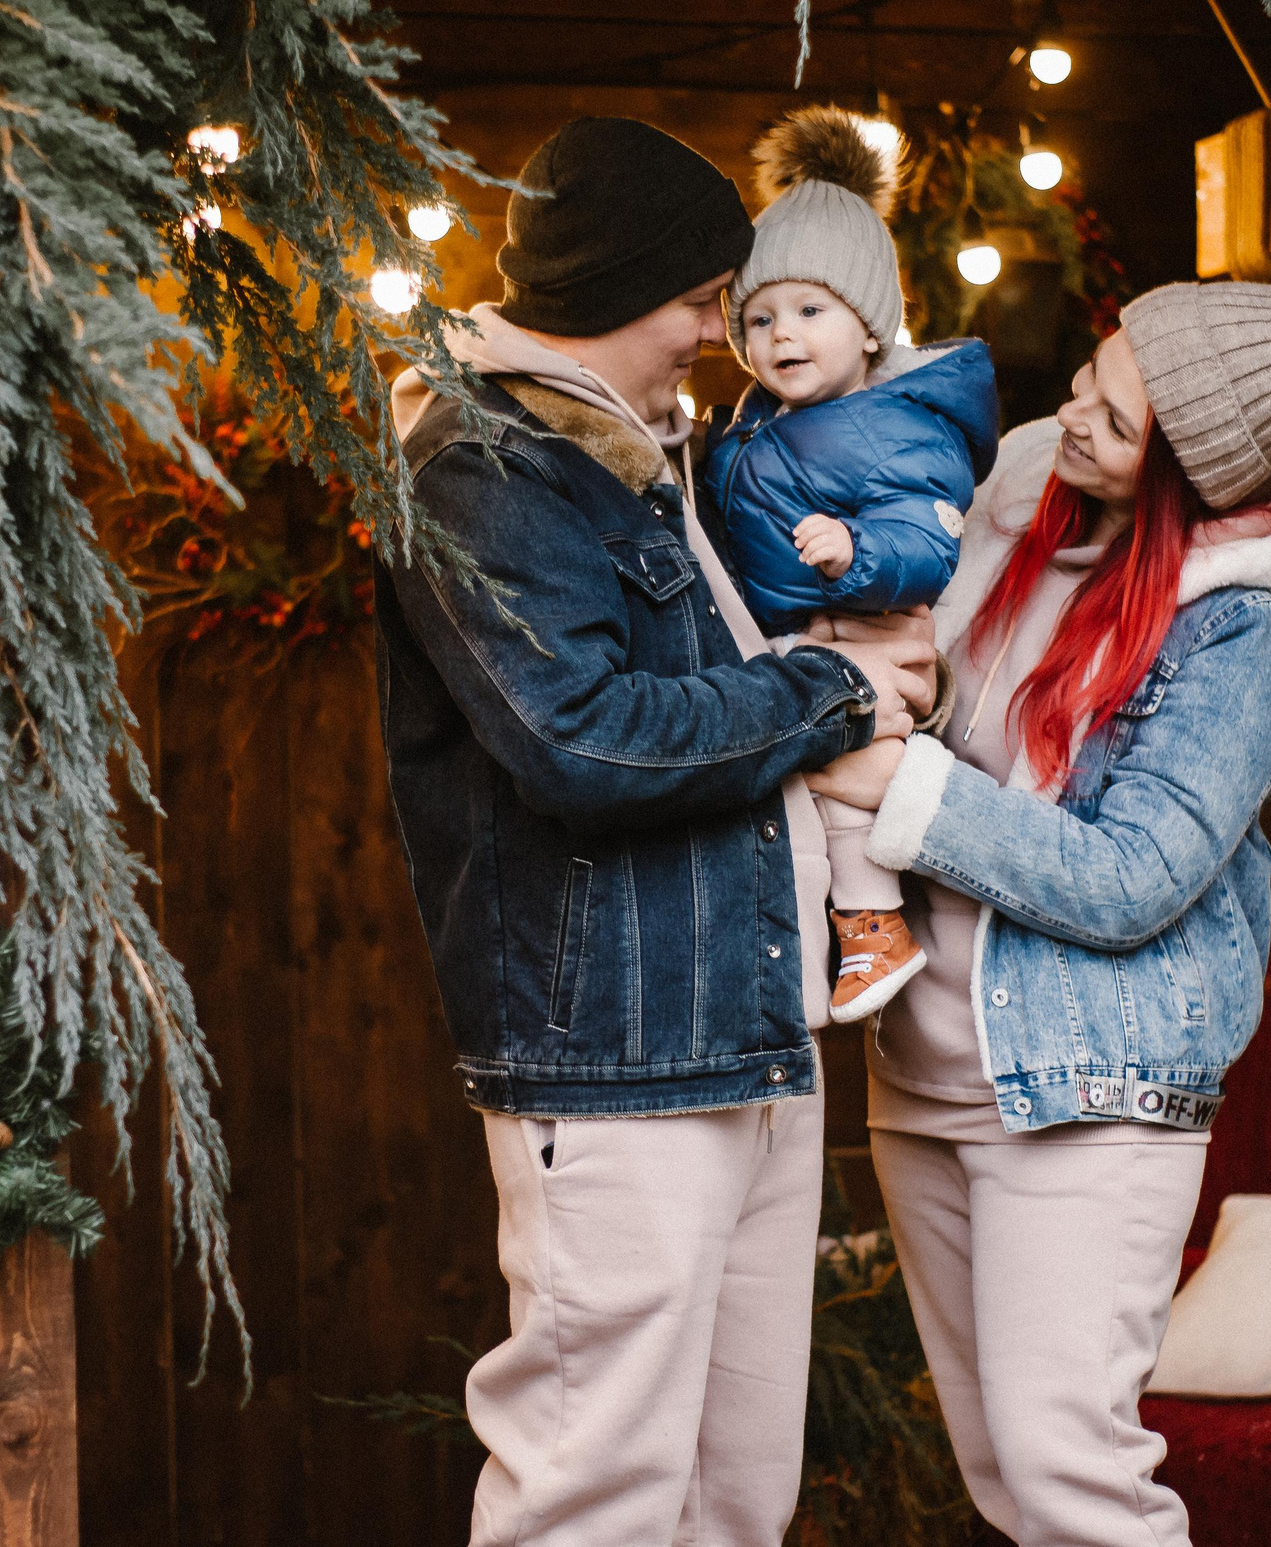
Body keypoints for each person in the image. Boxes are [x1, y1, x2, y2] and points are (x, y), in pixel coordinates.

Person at [806, 260, 1271, 1547]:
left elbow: (1137, 877)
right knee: (1002, 1475)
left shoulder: (1241, 630)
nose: (1074, 415)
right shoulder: (1025, 487)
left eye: (1114, 418)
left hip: (1086, 1087)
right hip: (927, 1076)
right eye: (1090, 376)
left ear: (1190, 478)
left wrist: (903, 783)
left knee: (1073, 1477)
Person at [375, 115, 939, 1547]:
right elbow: (585, 737)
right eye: (701, 295)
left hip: (742, 1029)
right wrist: (834, 688)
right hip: (618, 1052)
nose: (717, 327)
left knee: (733, 1489)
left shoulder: (644, 456)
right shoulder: (483, 465)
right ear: (624, 289)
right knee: (594, 1484)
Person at [704, 106, 998, 1024]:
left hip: (865, 628)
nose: (780, 335)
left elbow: (930, 537)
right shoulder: (762, 418)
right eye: (758, 317)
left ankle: (875, 925)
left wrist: (857, 551)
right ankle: (841, 931)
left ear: (870, 325)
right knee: (806, 784)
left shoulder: (898, 423)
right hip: (803, 631)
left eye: (809, 310)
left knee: (850, 774)